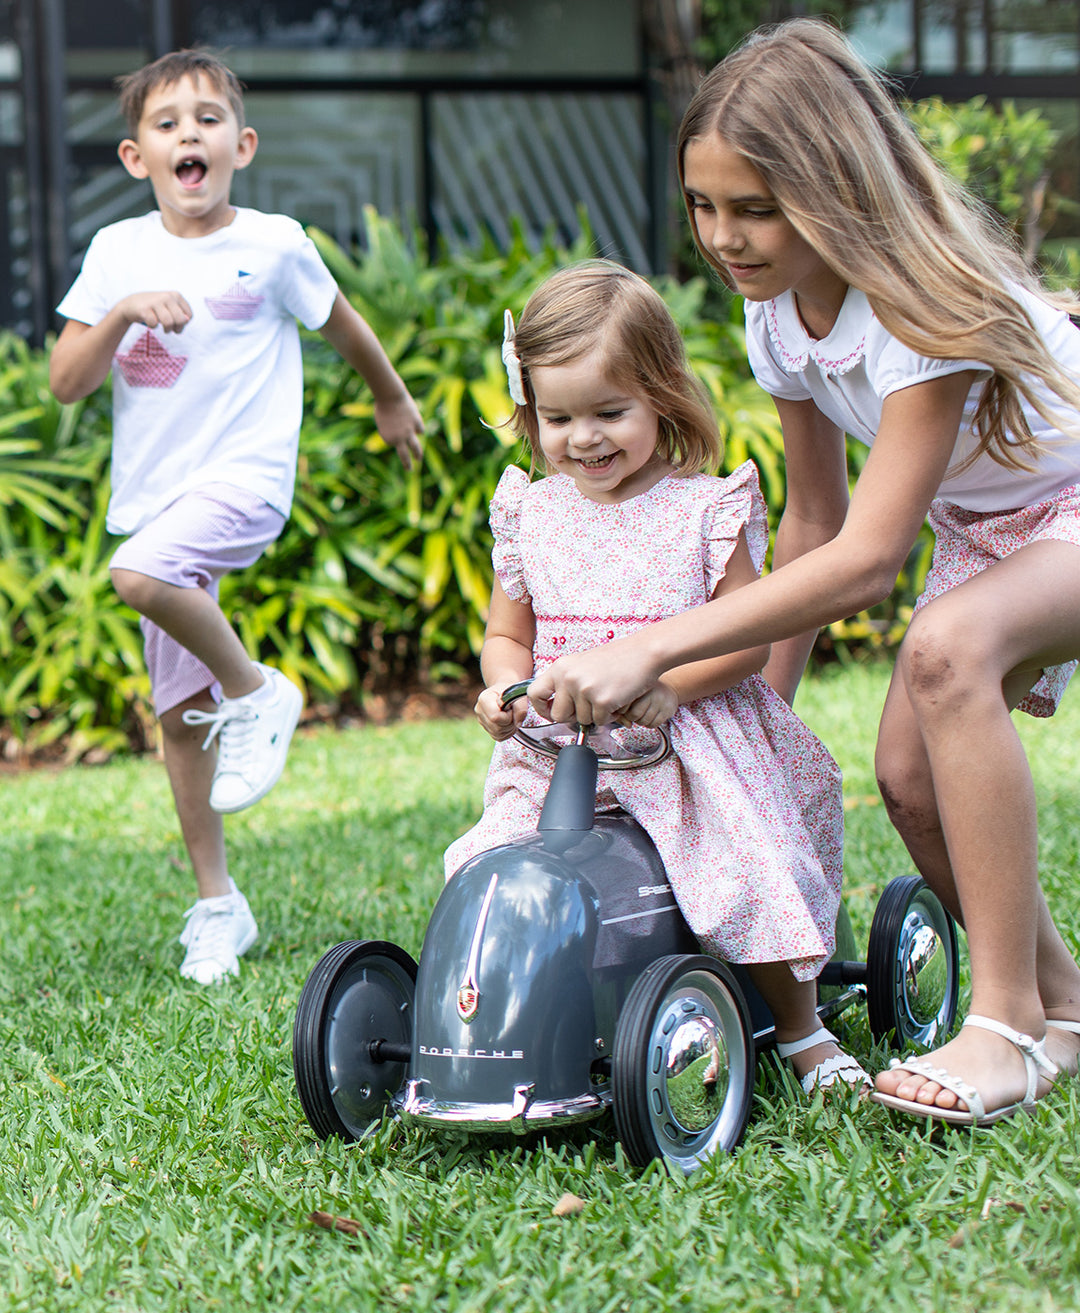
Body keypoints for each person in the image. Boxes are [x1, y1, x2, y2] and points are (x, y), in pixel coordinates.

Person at [527, 19, 1080, 1126]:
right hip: (989, 527)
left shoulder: (919, 310)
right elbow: (813, 521)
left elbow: (868, 560)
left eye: (755, 208)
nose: (723, 236)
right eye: (702, 205)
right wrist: (748, 713)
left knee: (948, 649)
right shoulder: (774, 313)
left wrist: (654, 648)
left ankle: (1006, 1023)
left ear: (836, 190)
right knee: (912, 783)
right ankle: (1067, 1006)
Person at [445, 259, 869, 1095]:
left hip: (682, 743)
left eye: (611, 411)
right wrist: (502, 688)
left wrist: (674, 683)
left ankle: (800, 1027)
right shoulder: (530, 509)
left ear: (663, 398)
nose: (585, 438)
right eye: (558, 416)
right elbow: (507, 631)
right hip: (556, 750)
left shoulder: (702, 509)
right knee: (487, 869)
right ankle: (515, 1020)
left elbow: (748, 640)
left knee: (740, 868)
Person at [49, 49, 424, 984]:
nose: (190, 134)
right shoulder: (116, 255)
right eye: (168, 123)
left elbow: (342, 323)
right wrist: (124, 312)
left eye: (208, 119)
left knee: (137, 574)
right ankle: (220, 905)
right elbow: (67, 382)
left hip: (245, 482)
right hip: (157, 500)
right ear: (138, 157)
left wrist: (389, 396)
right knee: (180, 719)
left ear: (241, 145)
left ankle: (259, 691)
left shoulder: (274, 243)